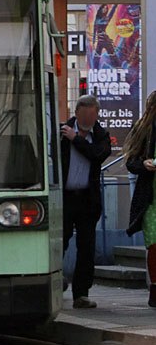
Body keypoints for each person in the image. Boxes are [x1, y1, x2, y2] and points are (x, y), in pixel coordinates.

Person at [61, 94, 112, 309]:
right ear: (76, 113)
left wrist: (76, 139)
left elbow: (97, 155)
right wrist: (71, 136)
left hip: (87, 200)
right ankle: (54, 283)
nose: (89, 121)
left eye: (93, 116)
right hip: (63, 199)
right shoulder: (62, 132)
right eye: (85, 116)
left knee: (86, 247)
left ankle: (81, 293)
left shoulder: (100, 135)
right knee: (58, 242)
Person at [124, 89, 156, 308]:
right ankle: (155, 289)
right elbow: (131, 161)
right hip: (151, 198)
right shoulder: (144, 129)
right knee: (154, 245)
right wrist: (143, 165)